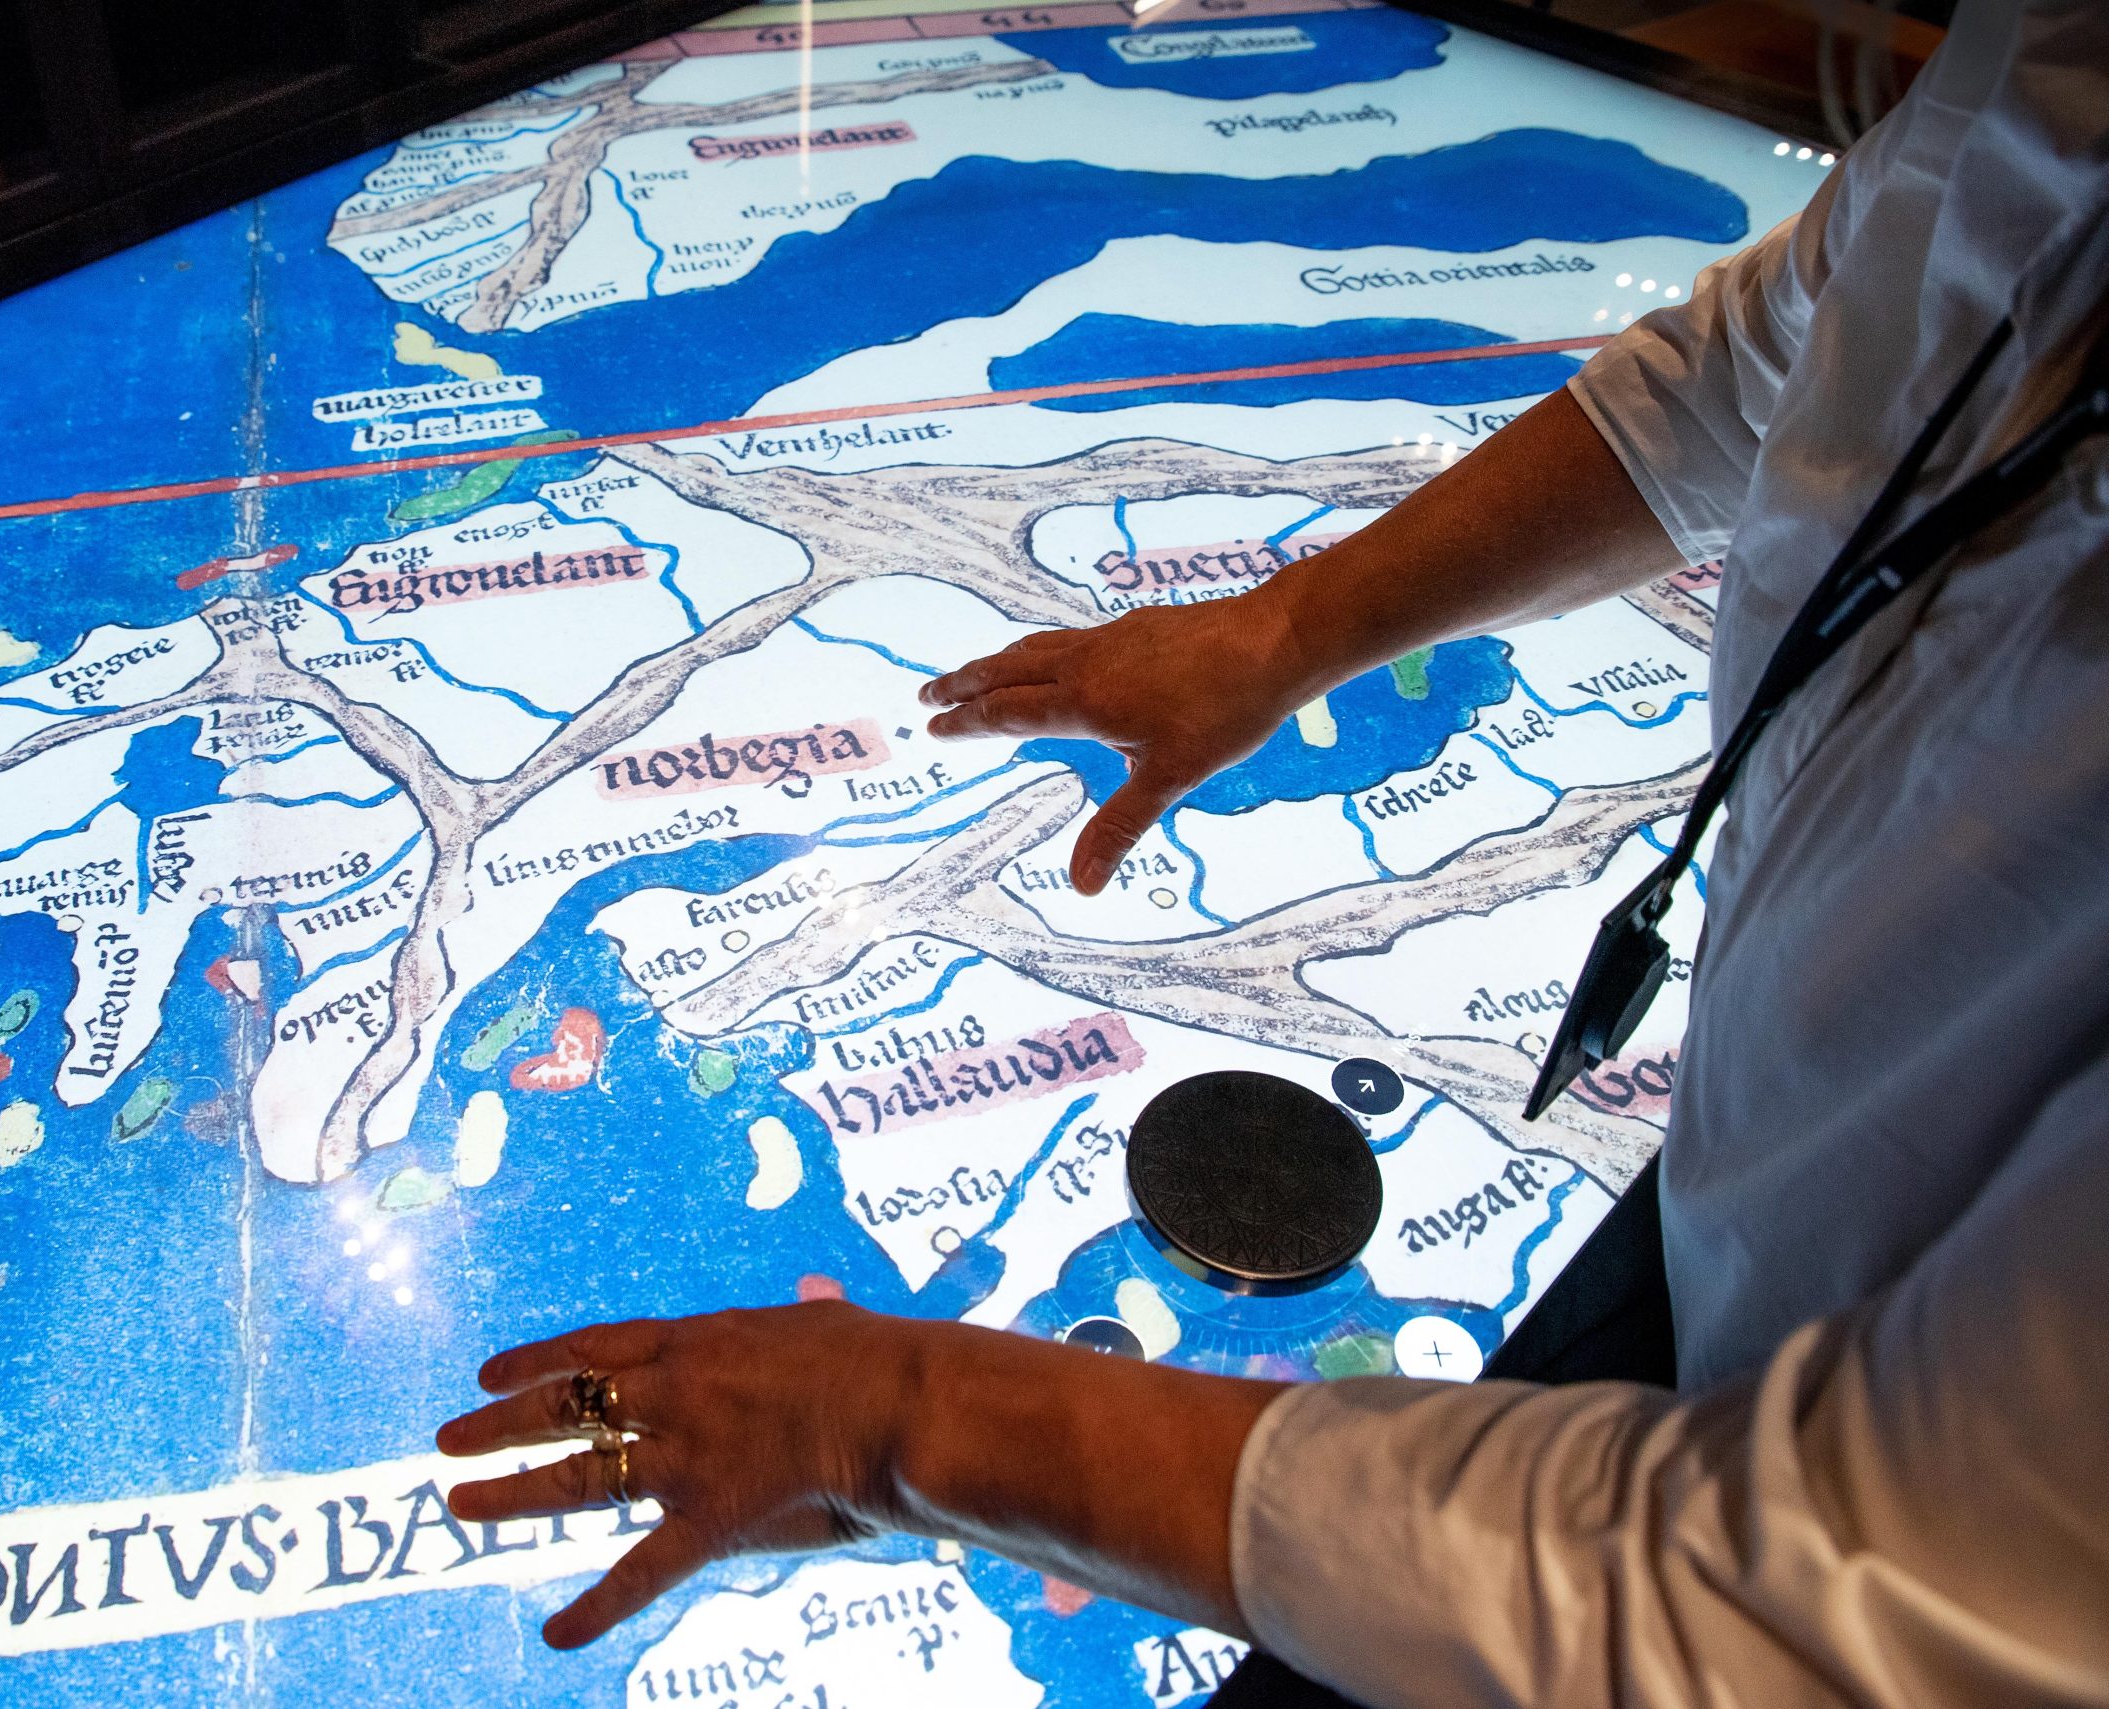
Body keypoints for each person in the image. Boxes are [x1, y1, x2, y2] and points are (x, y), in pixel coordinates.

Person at [436, 2, 2109, 1701]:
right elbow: (1766, 370)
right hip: (1745, 1209)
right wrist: (1285, 630)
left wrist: (900, 1417)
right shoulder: (2050, 56)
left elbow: (1820, 1602)